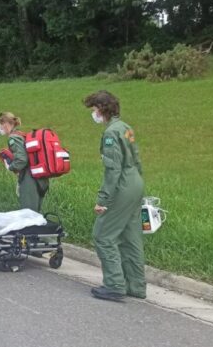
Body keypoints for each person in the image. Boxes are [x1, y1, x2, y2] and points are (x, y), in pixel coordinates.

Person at [84, 90, 146, 302]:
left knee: (103, 235)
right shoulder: (126, 127)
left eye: (93, 109)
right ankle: (135, 285)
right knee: (130, 236)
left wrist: (103, 200)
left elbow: (113, 170)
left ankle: (114, 284)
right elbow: (136, 158)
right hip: (135, 181)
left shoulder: (111, 133)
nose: (93, 114)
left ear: (101, 109)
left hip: (122, 185)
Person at [0, 112, 49, 213]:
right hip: (40, 177)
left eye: (0, 125)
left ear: (6, 124)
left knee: (28, 214)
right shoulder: (22, 135)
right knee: (35, 213)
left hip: (29, 179)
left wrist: (11, 167)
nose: (0, 128)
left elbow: (22, 159)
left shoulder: (13, 138)